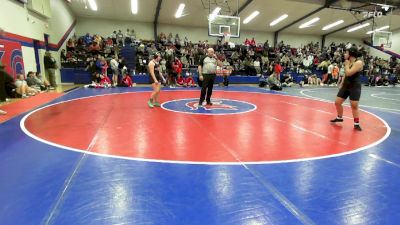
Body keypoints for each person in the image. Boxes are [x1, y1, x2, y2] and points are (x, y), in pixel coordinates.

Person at [330, 46, 363, 131]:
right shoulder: (348, 62)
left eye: (346, 53)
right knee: (337, 102)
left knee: (354, 105)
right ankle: (339, 117)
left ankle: (356, 124)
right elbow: (345, 74)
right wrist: (341, 83)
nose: (344, 54)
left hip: (354, 86)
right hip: (346, 85)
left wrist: (347, 64)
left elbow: (348, 73)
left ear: (351, 54)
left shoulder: (358, 62)